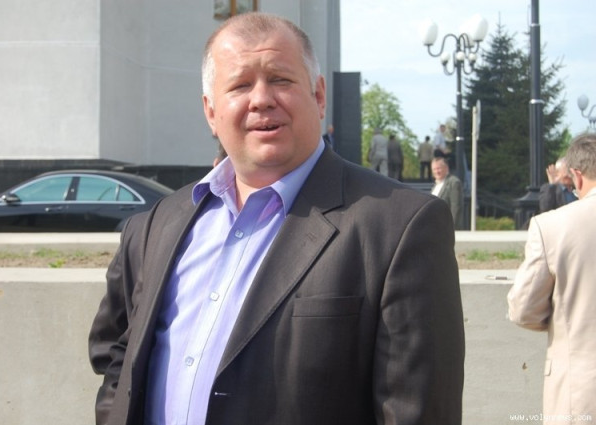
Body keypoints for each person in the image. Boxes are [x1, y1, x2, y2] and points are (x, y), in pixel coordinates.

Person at [88, 12, 464, 425]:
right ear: (211, 111)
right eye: (240, 85)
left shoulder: (401, 226)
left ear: (318, 96)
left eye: (281, 79)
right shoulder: (156, 225)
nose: (261, 99)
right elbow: (118, 356)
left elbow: (415, 410)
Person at [507, 132, 596, 422]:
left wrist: (564, 321)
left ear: (577, 176)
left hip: (580, 391)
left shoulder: (551, 227)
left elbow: (523, 310)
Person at [431, 157, 463, 230]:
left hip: (447, 229)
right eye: (434, 169)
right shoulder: (436, 185)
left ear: (446, 168)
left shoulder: (454, 182)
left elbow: (456, 207)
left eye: (438, 168)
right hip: (435, 228)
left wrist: (451, 228)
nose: (436, 171)